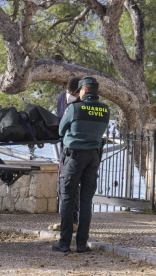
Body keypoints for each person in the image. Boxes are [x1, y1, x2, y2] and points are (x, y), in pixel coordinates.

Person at [52, 76, 109, 253]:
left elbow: (61, 130)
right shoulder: (105, 110)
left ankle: (64, 243)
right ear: (96, 91)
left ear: (83, 91)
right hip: (93, 158)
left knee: (68, 198)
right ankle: (82, 244)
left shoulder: (75, 108)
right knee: (85, 201)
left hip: (74, 157)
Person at [50, 78, 81, 233]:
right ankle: (66, 221)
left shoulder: (83, 103)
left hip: (78, 148)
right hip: (65, 146)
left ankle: (73, 221)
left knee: (74, 186)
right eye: (68, 92)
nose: (69, 95)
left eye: (72, 93)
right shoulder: (62, 97)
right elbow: (59, 122)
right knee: (62, 185)